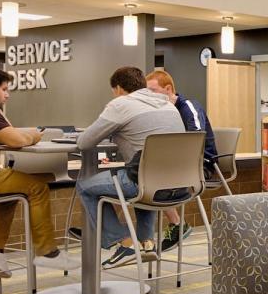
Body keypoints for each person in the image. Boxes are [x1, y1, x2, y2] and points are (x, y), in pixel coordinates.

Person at [0, 66, 79, 276]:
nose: (8, 95)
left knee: (14, 189)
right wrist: (36, 136)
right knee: (37, 188)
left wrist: (3, 118)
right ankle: (48, 253)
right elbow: (16, 140)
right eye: (5, 89)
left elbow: (4, 132)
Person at [76, 67, 186, 268]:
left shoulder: (121, 104)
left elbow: (84, 142)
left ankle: (124, 243)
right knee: (145, 180)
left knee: (84, 186)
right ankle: (146, 243)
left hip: (146, 183)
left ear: (118, 88)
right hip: (181, 186)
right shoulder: (168, 105)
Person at [146, 70, 218, 252]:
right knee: (144, 175)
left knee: (150, 176)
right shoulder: (161, 112)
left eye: (153, 91)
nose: (149, 96)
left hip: (200, 165)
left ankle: (176, 225)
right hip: (177, 164)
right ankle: (173, 227)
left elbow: (196, 138)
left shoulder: (189, 106)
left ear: (168, 89)